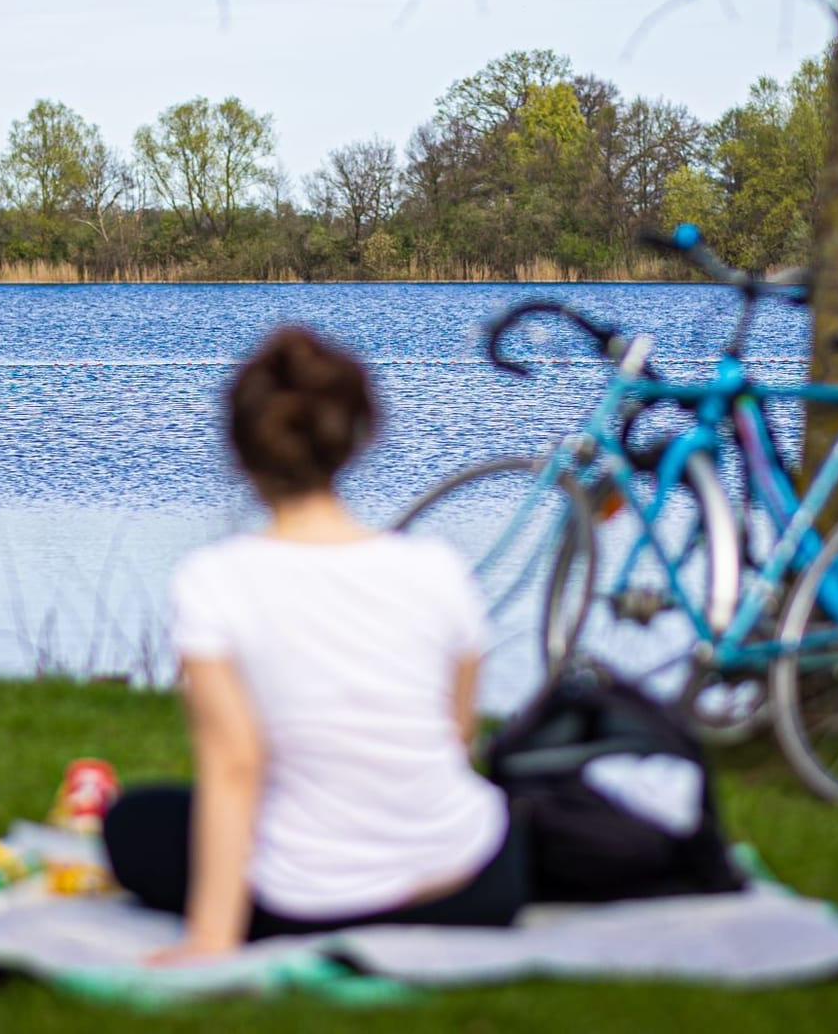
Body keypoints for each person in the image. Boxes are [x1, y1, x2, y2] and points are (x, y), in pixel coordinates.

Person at [103, 325, 524, 961]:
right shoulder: (439, 569)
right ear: (359, 438)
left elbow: (236, 765)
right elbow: (452, 737)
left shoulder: (213, 581)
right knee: (499, 810)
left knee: (132, 822)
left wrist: (211, 937)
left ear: (240, 450)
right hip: (471, 884)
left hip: (305, 897)